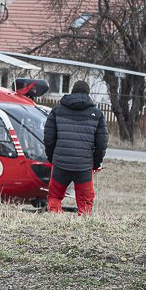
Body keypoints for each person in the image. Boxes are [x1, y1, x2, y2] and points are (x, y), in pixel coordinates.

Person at [43, 80, 108, 214]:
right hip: (83, 167)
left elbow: (48, 139)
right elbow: (101, 144)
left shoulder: (56, 111)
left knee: (54, 197)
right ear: (87, 94)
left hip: (60, 165)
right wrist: (95, 164)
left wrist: (52, 158)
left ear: (72, 92)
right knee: (85, 203)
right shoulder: (97, 114)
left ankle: (54, 222)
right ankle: (83, 229)